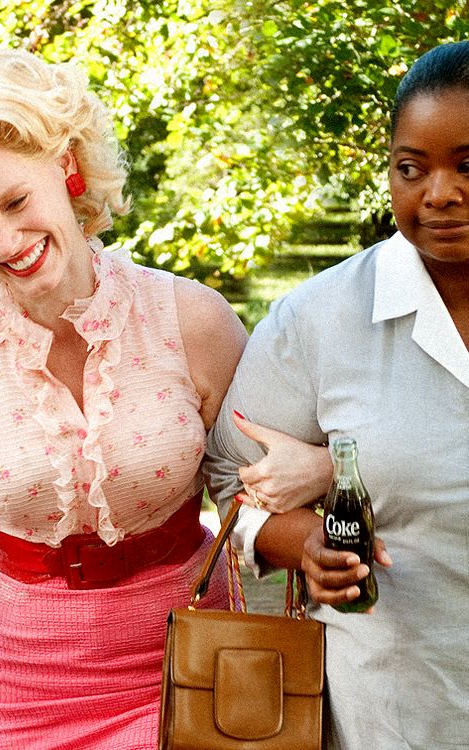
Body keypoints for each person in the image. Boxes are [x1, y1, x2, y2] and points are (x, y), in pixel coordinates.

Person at [0, 47, 252, 750]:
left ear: (66, 165)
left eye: (14, 202)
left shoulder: (191, 320)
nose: (5, 243)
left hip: (188, 663)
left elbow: (255, 497)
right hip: (11, 688)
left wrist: (305, 476)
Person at [204, 40, 469, 750]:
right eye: (410, 168)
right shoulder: (319, 318)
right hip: (389, 713)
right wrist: (305, 542)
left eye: (466, 165)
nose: (437, 193)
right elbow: (230, 479)